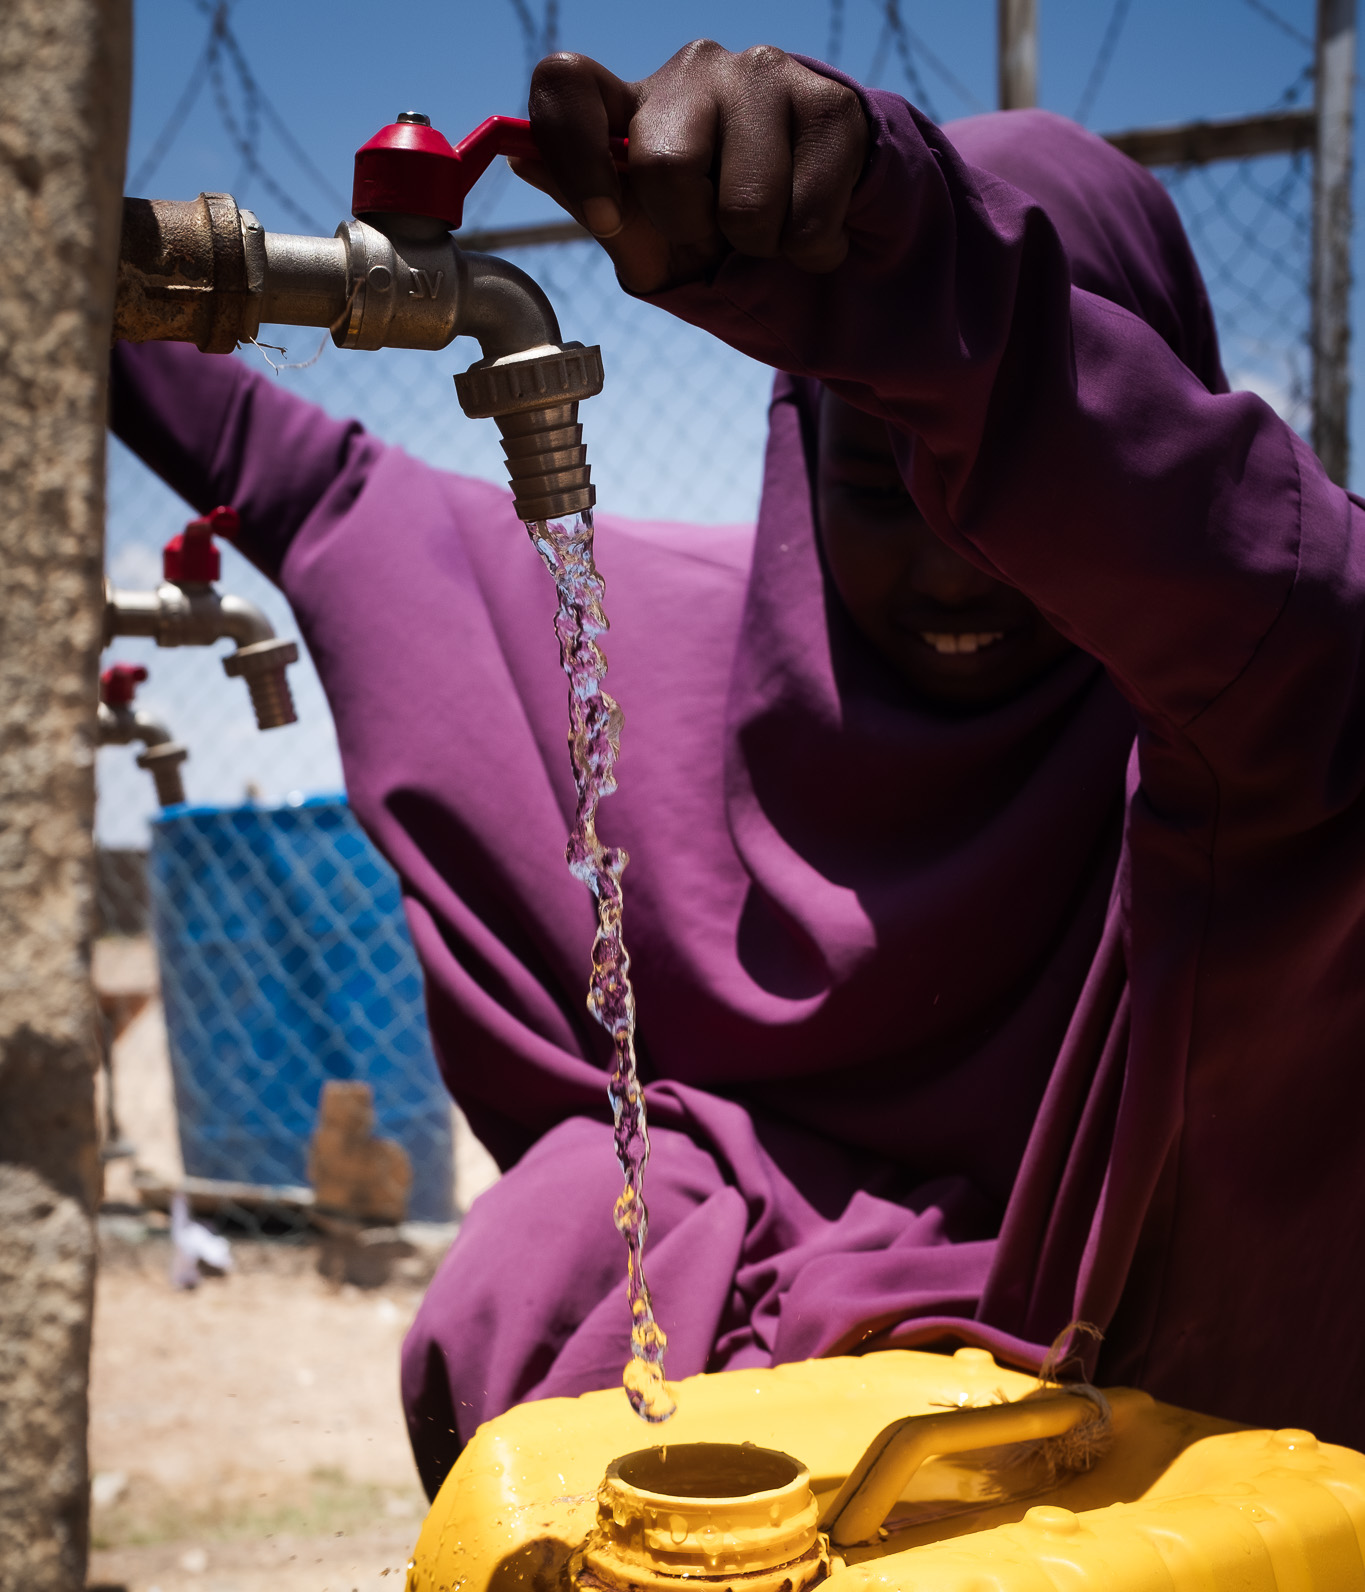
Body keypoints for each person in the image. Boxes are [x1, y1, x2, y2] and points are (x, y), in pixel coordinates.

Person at [112, 44, 1365, 1497]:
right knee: (565, 1237)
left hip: (1158, 1406)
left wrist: (913, 270)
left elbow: (1297, 607)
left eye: (1003, 491)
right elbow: (317, 487)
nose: (955, 560)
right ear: (798, 453)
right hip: (734, 1424)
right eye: (876, 484)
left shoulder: (1244, 721)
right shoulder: (675, 665)